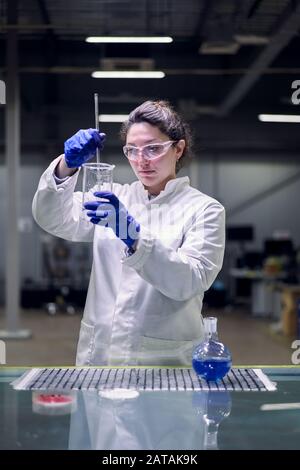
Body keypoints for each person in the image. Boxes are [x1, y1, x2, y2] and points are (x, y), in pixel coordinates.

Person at [32, 100, 225, 366]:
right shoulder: (114, 199)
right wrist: (66, 165)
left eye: (153, 149)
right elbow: (52, 217)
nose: (141, 160)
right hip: (99, 357)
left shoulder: (204, 209)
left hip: (161, 363)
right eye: (132, 150)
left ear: (178, 149)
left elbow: (190, 281)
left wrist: (134, 236)